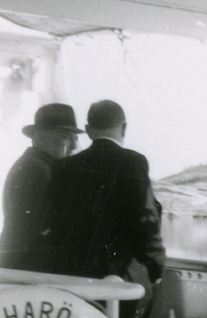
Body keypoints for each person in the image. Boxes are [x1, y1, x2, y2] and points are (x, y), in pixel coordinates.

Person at [43, 99, 166, 285]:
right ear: (123, 128)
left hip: (71, 276)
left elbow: (52, 223)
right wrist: (156, 267)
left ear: (88, 129)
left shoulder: (62, 167)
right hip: (118, 278)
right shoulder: (133, 162)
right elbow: (145, 220)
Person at [0, 102, 82, 270]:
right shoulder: (35, 169)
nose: (74, 146)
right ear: (41, 139)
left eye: (75, 138)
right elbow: (21, 231)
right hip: (31, 269)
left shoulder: (37, 166)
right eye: (66, 137)